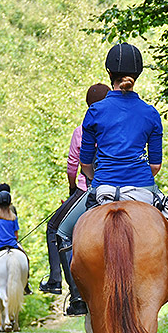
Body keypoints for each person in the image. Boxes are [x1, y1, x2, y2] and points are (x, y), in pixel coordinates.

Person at [57, 42, 168, 320]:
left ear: (110, 72)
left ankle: (77, 297)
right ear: (138, 73)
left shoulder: (95, 111)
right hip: (142, 189)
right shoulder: (150, 113)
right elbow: (155, 165)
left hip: (104, 188)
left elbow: (85, 163)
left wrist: (98, 179)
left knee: (62, 233)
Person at [39, 83, 110, 317]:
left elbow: (74, 165)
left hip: (89, 189)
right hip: (125, 186)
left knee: (55, 230)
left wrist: (73, 187)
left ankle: (64, 286)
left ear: (89, 105)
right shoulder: (117, 126)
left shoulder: (82, 129)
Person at [0, 190, 32, 298]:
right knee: (26, 259)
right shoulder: (13, 217)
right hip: (13, 244)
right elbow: (16, 235)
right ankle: (26, 285)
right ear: (9, 203)